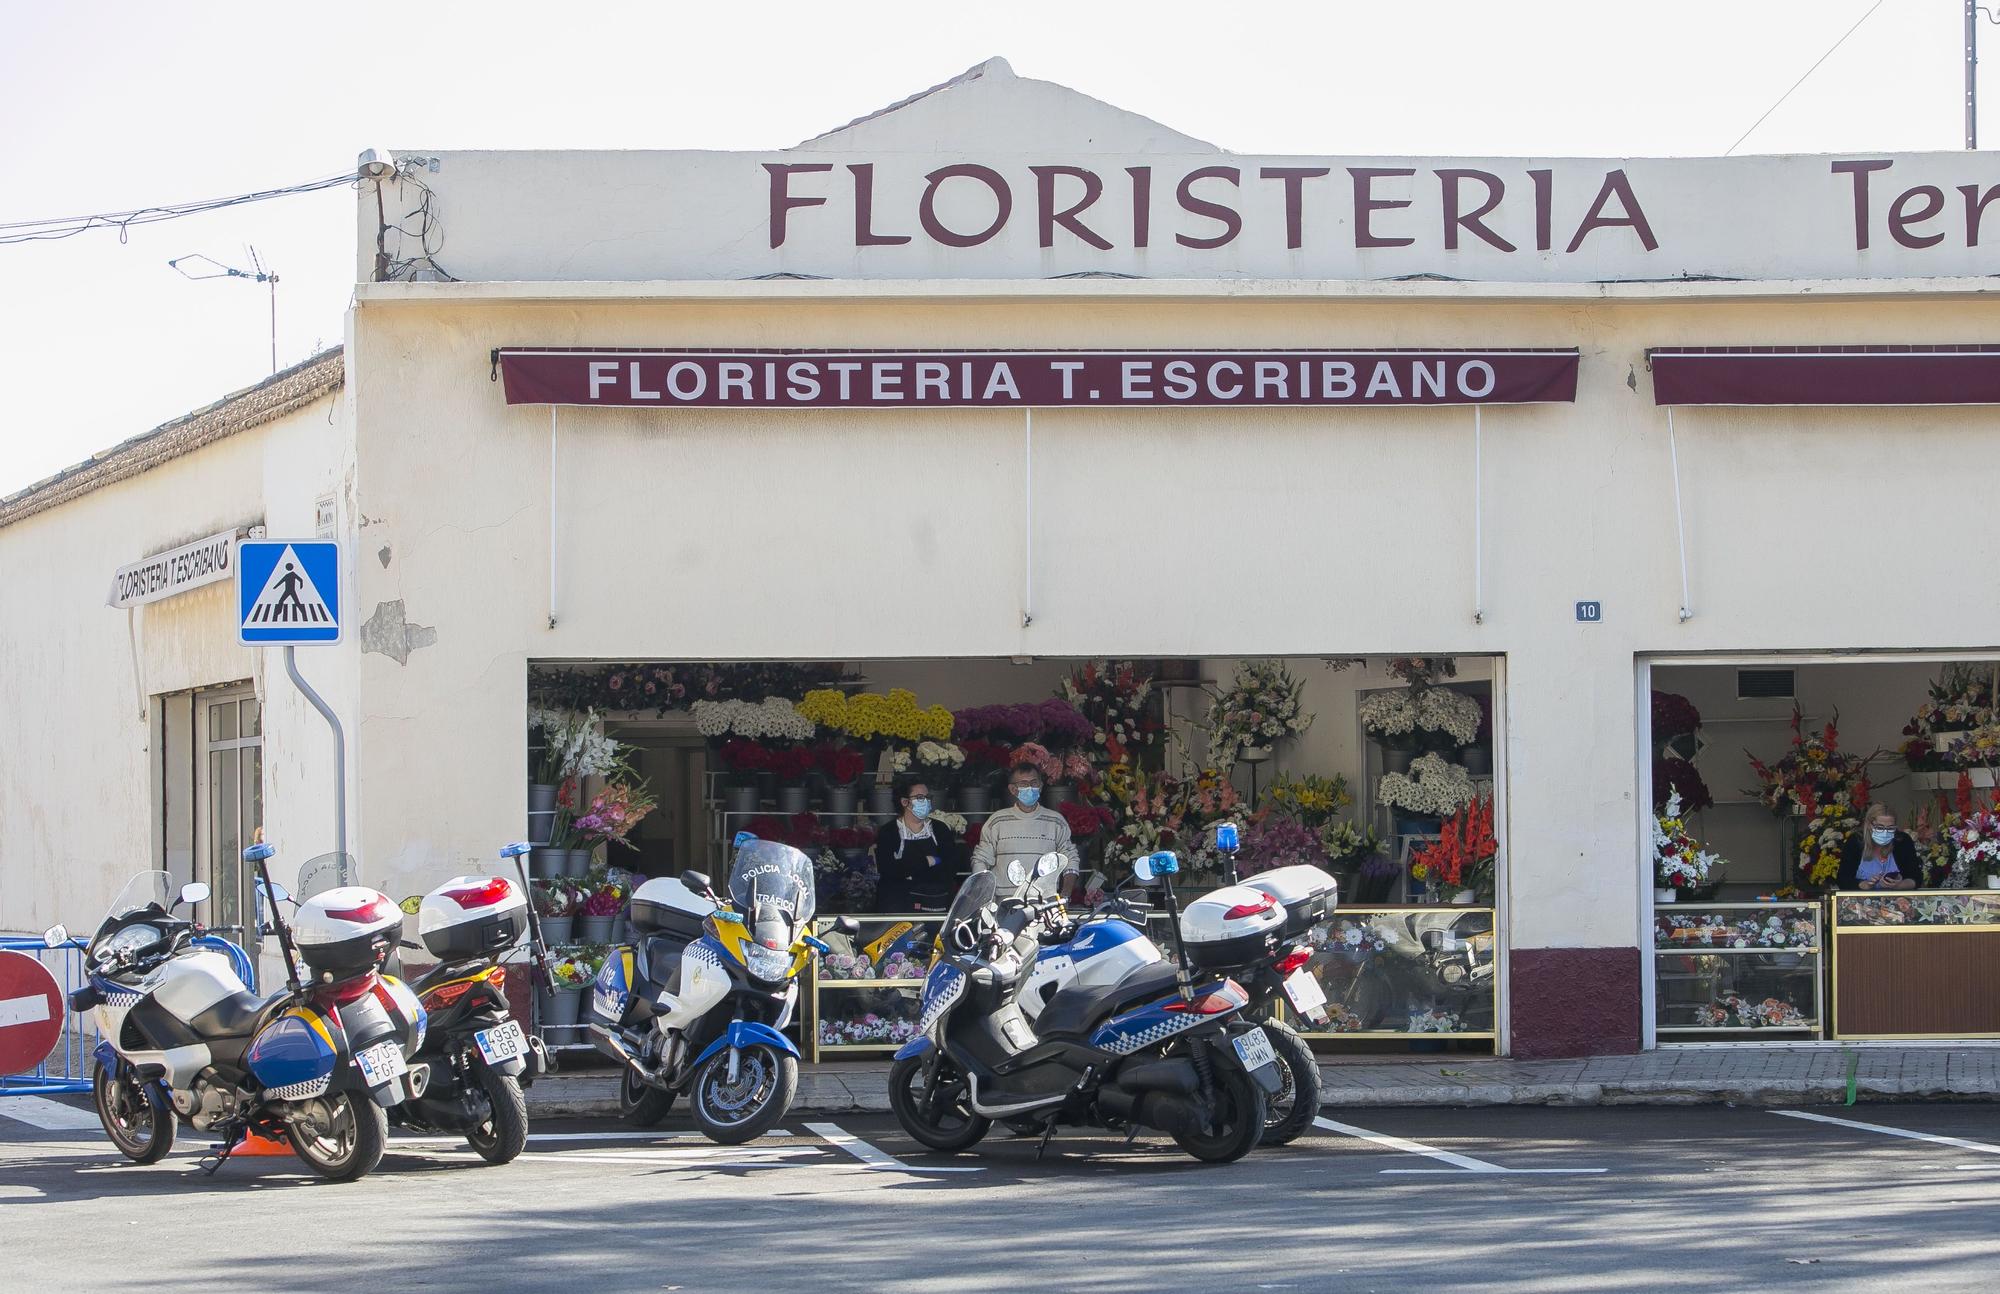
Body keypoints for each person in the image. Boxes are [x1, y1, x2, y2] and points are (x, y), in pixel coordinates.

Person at [970, 762, 1081, 898]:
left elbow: (1071, 858)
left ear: (1040, 786)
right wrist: (984, 896)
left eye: (1034, 783)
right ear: (1013, 789)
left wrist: (1066, 894)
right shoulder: (997, 821)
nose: (1030, 788)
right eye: (1023, 784)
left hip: (1044, 903)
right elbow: (980, 860)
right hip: (1005, 904)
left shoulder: (1056, 821)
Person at [873, 777, 961, 911]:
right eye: (920, 797)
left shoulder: (940, 829)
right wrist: (929, 861)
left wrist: (910, 869)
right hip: (898, 906)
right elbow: (888, 870)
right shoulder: (888, 832)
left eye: (927, 797)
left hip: (936, 904)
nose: (926, 801)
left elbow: (950, 867)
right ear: (904, 802)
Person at [1837, 803, 1920, 891]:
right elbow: (1843, 879)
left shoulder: (1903, 841)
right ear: (1869, 824)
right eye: (1880, 827)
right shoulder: (1855, 841)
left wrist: (1898, 885)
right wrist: (1866, 885)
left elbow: (1916, 878)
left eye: (1890, 828)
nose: (1885, 832)